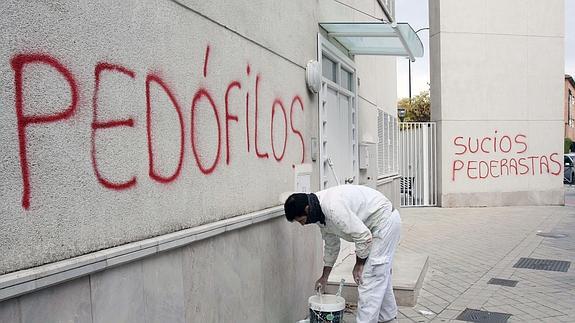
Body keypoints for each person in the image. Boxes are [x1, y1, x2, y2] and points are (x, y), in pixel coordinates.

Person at [284, 184, 401, 323]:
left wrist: (359, 264)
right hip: (377, 225)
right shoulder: (319, 213)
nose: (303, 224)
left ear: (307, 210)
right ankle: (388, 318)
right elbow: (331, 245)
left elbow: (363, 237)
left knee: (369, 277)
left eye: (301, 220)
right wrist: (324, 277)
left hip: (384, 222)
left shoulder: (333, 208)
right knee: (380, 274)